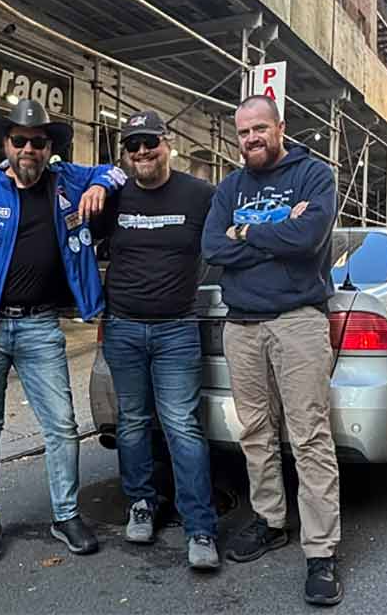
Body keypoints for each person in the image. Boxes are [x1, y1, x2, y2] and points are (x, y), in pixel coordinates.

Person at [0, 99, 125, 565]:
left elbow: (116, 172)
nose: (29, 149)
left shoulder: (66, 181)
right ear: (6, 144)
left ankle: (66, 514)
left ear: (49, 147)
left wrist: (96, 185)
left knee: (61, 424)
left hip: (39, 325)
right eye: (20, 141)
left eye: (38, 141)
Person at [201, 95, 342, 606]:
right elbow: (213, 248)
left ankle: (321, 551)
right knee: (255, 430)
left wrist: (247, 232)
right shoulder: (230, 187)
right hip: (241, 325)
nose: (251, 138)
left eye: (260, 128)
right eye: (243, 132)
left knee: (309, 435)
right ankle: (270, 520)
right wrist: (270, 233)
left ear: (280, 127)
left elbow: (309, 238)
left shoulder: (313, 175)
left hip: (298, 322)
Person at [93, 111, 220, 570]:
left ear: (168, 144)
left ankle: (201, 527)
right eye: (133, 146)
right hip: (123, 328)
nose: (142, 151)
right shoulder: (113, 196)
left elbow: (238, 224)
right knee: (130, 423)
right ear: (124, 154)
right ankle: (140, 504)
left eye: (150, 142)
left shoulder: (200, 194)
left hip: (177, 331)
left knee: (182, 426)